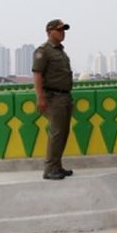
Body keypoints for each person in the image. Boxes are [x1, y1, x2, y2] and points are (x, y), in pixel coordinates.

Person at [34, 19, 75, 180]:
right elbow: (37, 75)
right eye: (59, 30)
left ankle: (57, 166)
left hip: (64, 96)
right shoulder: (43, 51)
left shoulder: (61, 52)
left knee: (64, 133)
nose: (62, 32)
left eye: (63, 30)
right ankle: (49, 168)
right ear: (49, 32)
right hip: (52, 97)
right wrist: (40, 98)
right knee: (56, 133)